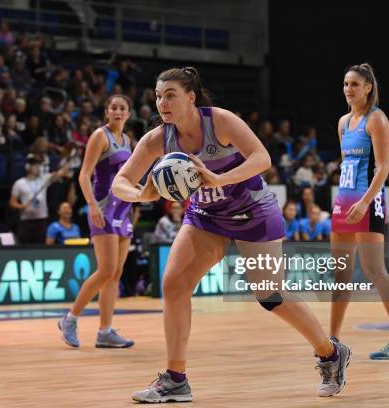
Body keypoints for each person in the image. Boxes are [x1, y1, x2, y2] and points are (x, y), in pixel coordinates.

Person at [111, 67, 351, 402]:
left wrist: (219, 178)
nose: (161, 102)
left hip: (253, 212)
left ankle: (330, 354)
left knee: (271, 297)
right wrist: (142, 195)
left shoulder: (220, 121)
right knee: (174, 284)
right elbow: (120, 182)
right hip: (206, 217)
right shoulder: (157, 138)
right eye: (157, 95)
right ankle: (175, 378)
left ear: (190, 97)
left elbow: (262, 157)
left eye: (170, 95)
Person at [330, 63, 389, 360]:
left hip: (369, 201)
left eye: (354, 84)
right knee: (340, 274)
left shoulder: (376, 119)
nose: (348, 89)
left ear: (368, 87)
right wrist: (344, 200)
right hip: (344, 201)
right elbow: (346, 165)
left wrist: (365, 201)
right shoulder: (343, 123)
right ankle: (332, 341)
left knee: (374, 269)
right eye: (345, 84)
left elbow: (383, 167)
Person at [58, 94, 136, 349]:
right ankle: (70, 318)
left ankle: (105, 331)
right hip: (102, 209)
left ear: (128, 113)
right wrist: (91, 204)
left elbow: (128, 178)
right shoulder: (99, 136)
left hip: (123, 210)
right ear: (106, 112)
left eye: (122, 108)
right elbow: (83, 175)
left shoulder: (128, 141)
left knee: (115, 274)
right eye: (113, 107)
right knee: (105, 270)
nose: (117, 111)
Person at [9, 156, 71, 244]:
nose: (38, 167)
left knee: (40, 246)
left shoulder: (44, 179)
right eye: (35, 165)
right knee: (25, 247)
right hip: (26, 221)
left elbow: (62, 173)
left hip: (41, 221)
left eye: (38, 165)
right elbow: (12, 202)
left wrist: (70, 158)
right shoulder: (19, 183)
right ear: (28, 167)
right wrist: (20, 206)